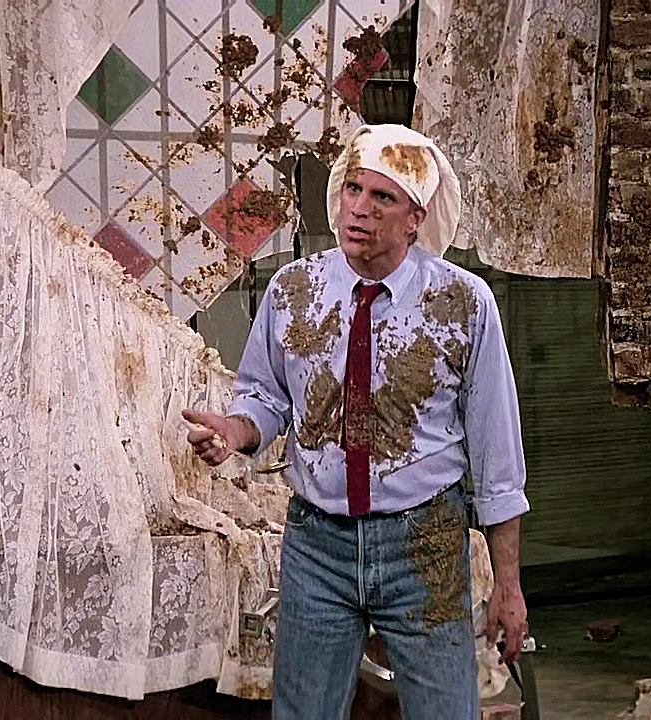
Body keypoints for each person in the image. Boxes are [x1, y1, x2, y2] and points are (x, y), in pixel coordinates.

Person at [183, 124, 529, 719]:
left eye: (381, 197)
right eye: (352, 189)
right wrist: (236, 431)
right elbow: (266, 397)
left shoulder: (463, 303)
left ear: (415, 218)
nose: (359, 209)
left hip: (424, 543)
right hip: (318, 544)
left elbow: (498, 457)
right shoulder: (294, 291)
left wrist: (508, 584)